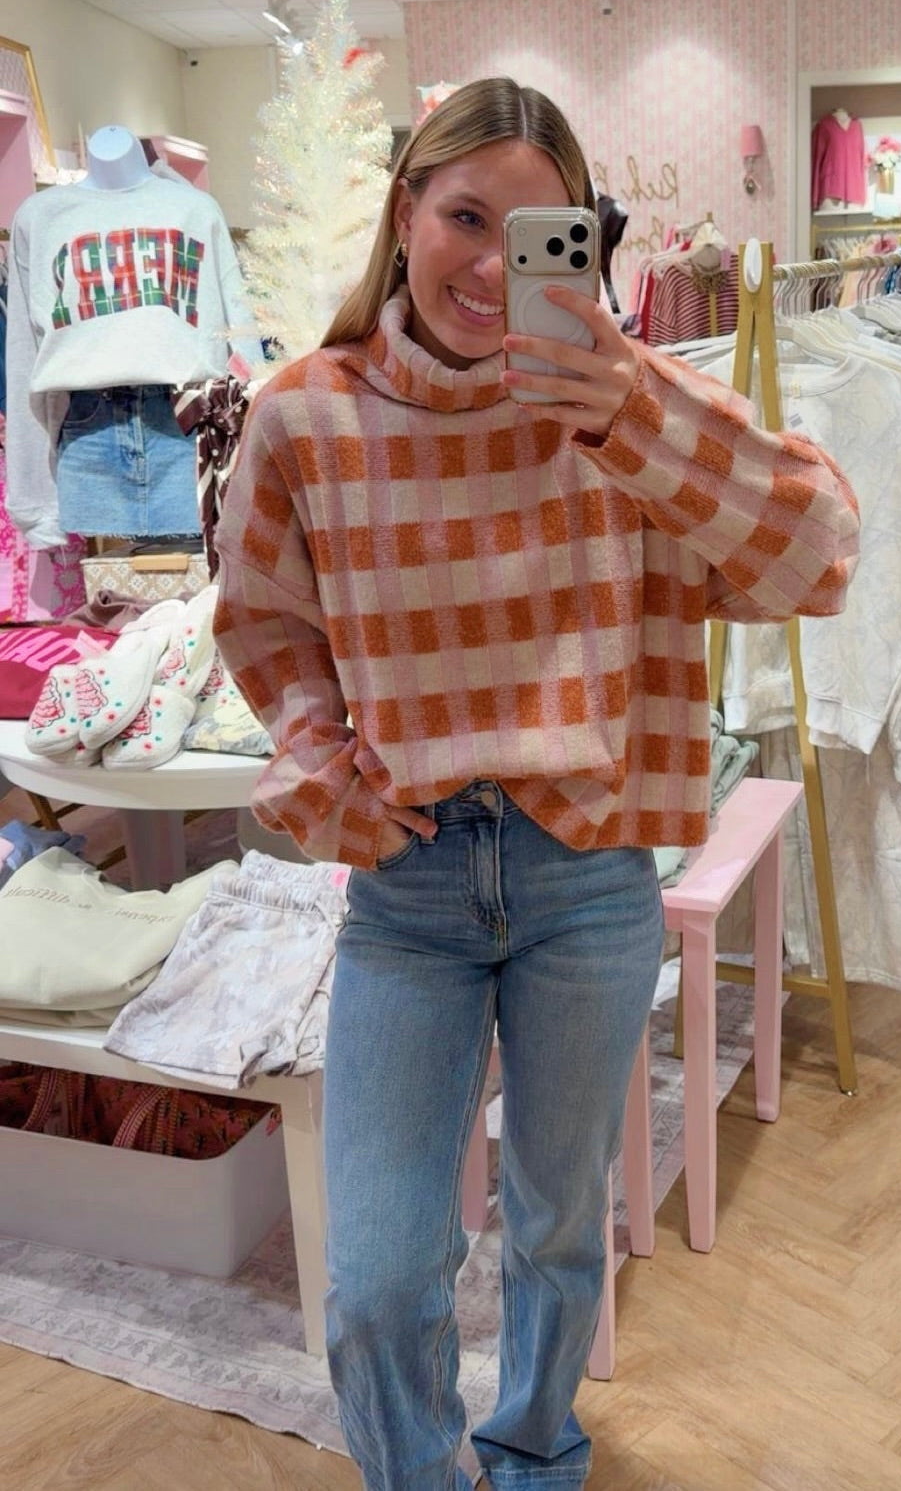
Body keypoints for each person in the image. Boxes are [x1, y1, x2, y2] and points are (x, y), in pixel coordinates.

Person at [213, 76, 859, 1491]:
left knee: (563, 1224)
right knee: (380, 1273)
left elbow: (820, 559)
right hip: (411, 884)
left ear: (586, 243)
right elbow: (265, 625)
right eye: (465, 217)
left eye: (537, 234)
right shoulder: (307, 414)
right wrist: (325, 778)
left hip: (588, 877)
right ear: (405, 212)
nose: (493, 267)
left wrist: (637, 410)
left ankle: (535, 1456)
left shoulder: (621, 405)